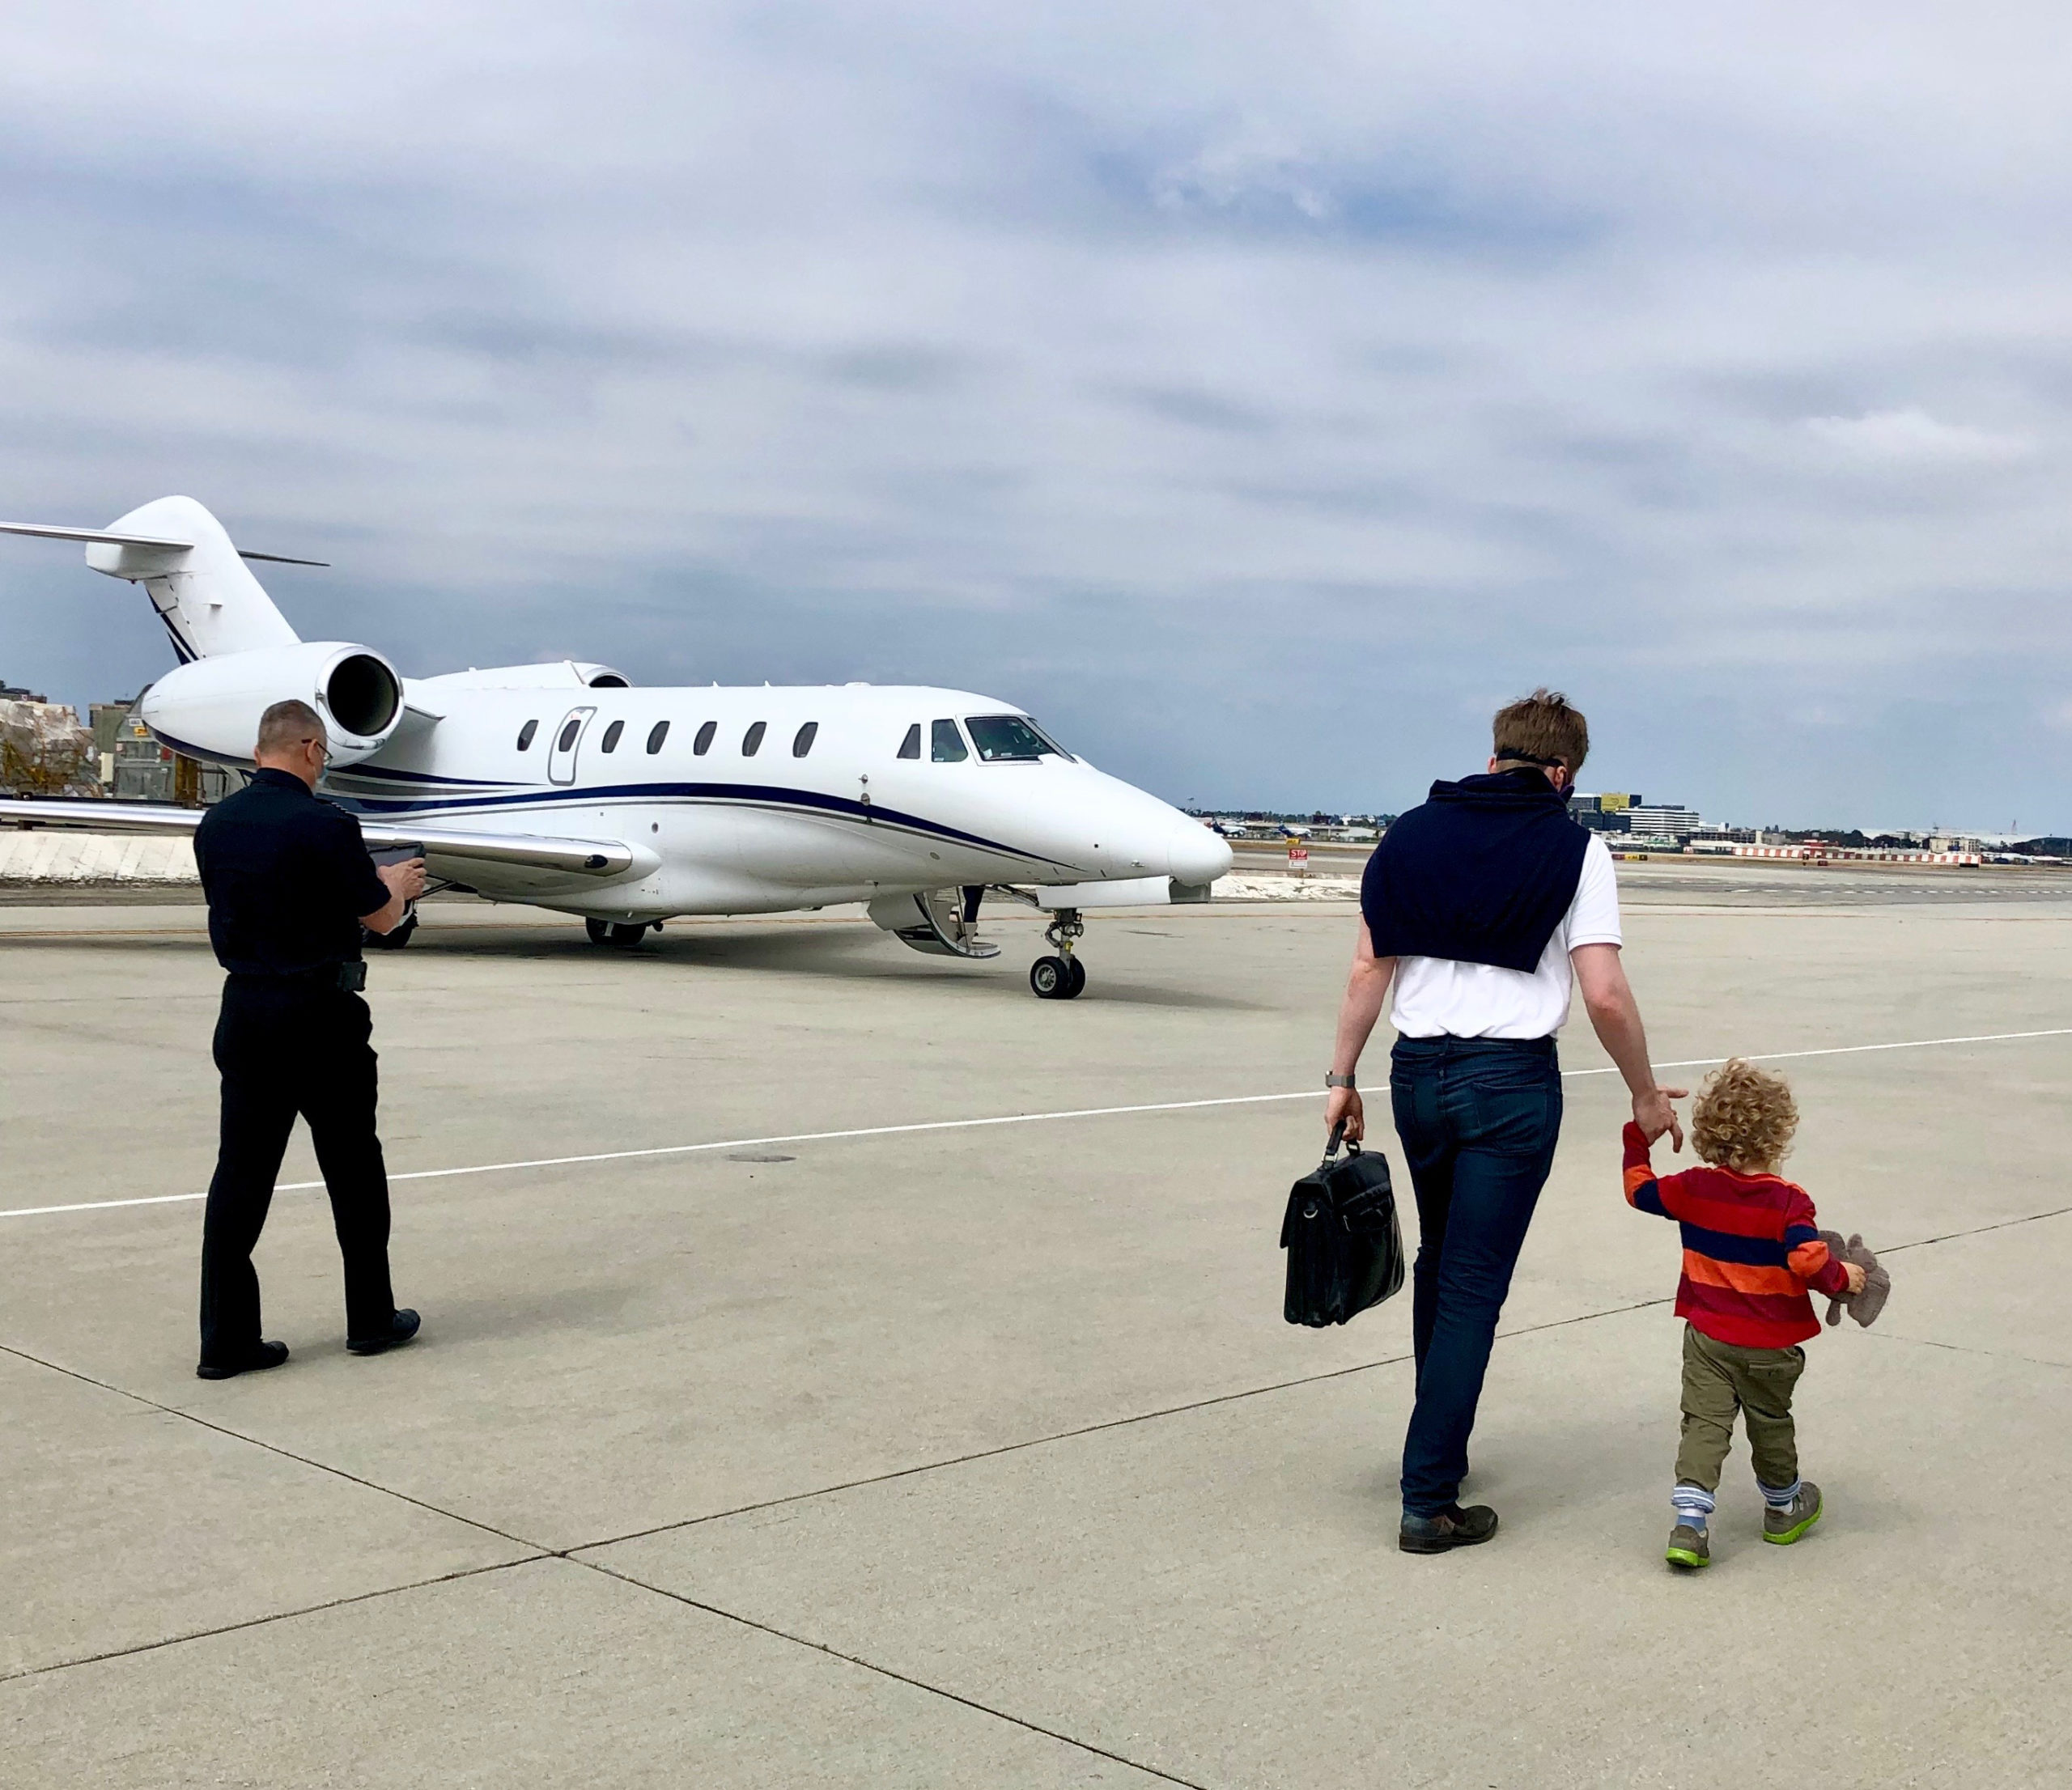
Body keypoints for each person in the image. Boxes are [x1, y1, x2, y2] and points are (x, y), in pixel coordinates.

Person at [1324, 689, 1686, 1553]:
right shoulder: (1573, 846)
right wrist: (1641, 1089)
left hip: (1415, 1074)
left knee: (1442, 1263)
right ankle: (1428, 1498)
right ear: (1560, 773)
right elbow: (1601, 989)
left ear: (1495, 757)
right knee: (1473, 1287)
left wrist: (1339, 1075)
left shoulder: (1408, 832)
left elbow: (1368, 966)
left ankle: (1434, 1448)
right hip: (1508, 1084)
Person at [189, 698, 427, 1379]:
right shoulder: (326, 824)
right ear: (313, 750)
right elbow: (379, 918)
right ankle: (370, 1319)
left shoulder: (218, 823)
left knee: (240, 1175)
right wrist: (396, 885)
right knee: (353, 1170)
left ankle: (225, 1340)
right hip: (320, 1014)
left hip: (247, 1011)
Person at [1623, 1058, 1864, 1568]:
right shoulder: (1788, 1202)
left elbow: (1639, 1191)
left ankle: (1689, 1527)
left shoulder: (1692, 1188)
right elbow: (1806, 1259)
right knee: (1770, 1422)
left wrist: (1637, 1137)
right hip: (1770, 1346)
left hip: (1708, 1337)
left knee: (1704, 1425)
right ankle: (1782, 1508)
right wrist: (1845, 1277)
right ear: (1778, 1135)